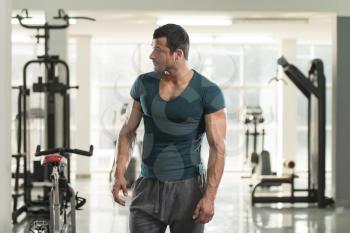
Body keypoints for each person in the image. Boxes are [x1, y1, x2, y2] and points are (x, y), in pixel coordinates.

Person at [111, 23, 227, 233]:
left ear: (178, 54)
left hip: (188, 189)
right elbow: (127, 131)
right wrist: (118, 171)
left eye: (158, 50)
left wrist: (209, 197)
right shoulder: (143, 84)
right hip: (147, 186)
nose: (151, 56)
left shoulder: (208, 91)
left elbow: (218, 148)